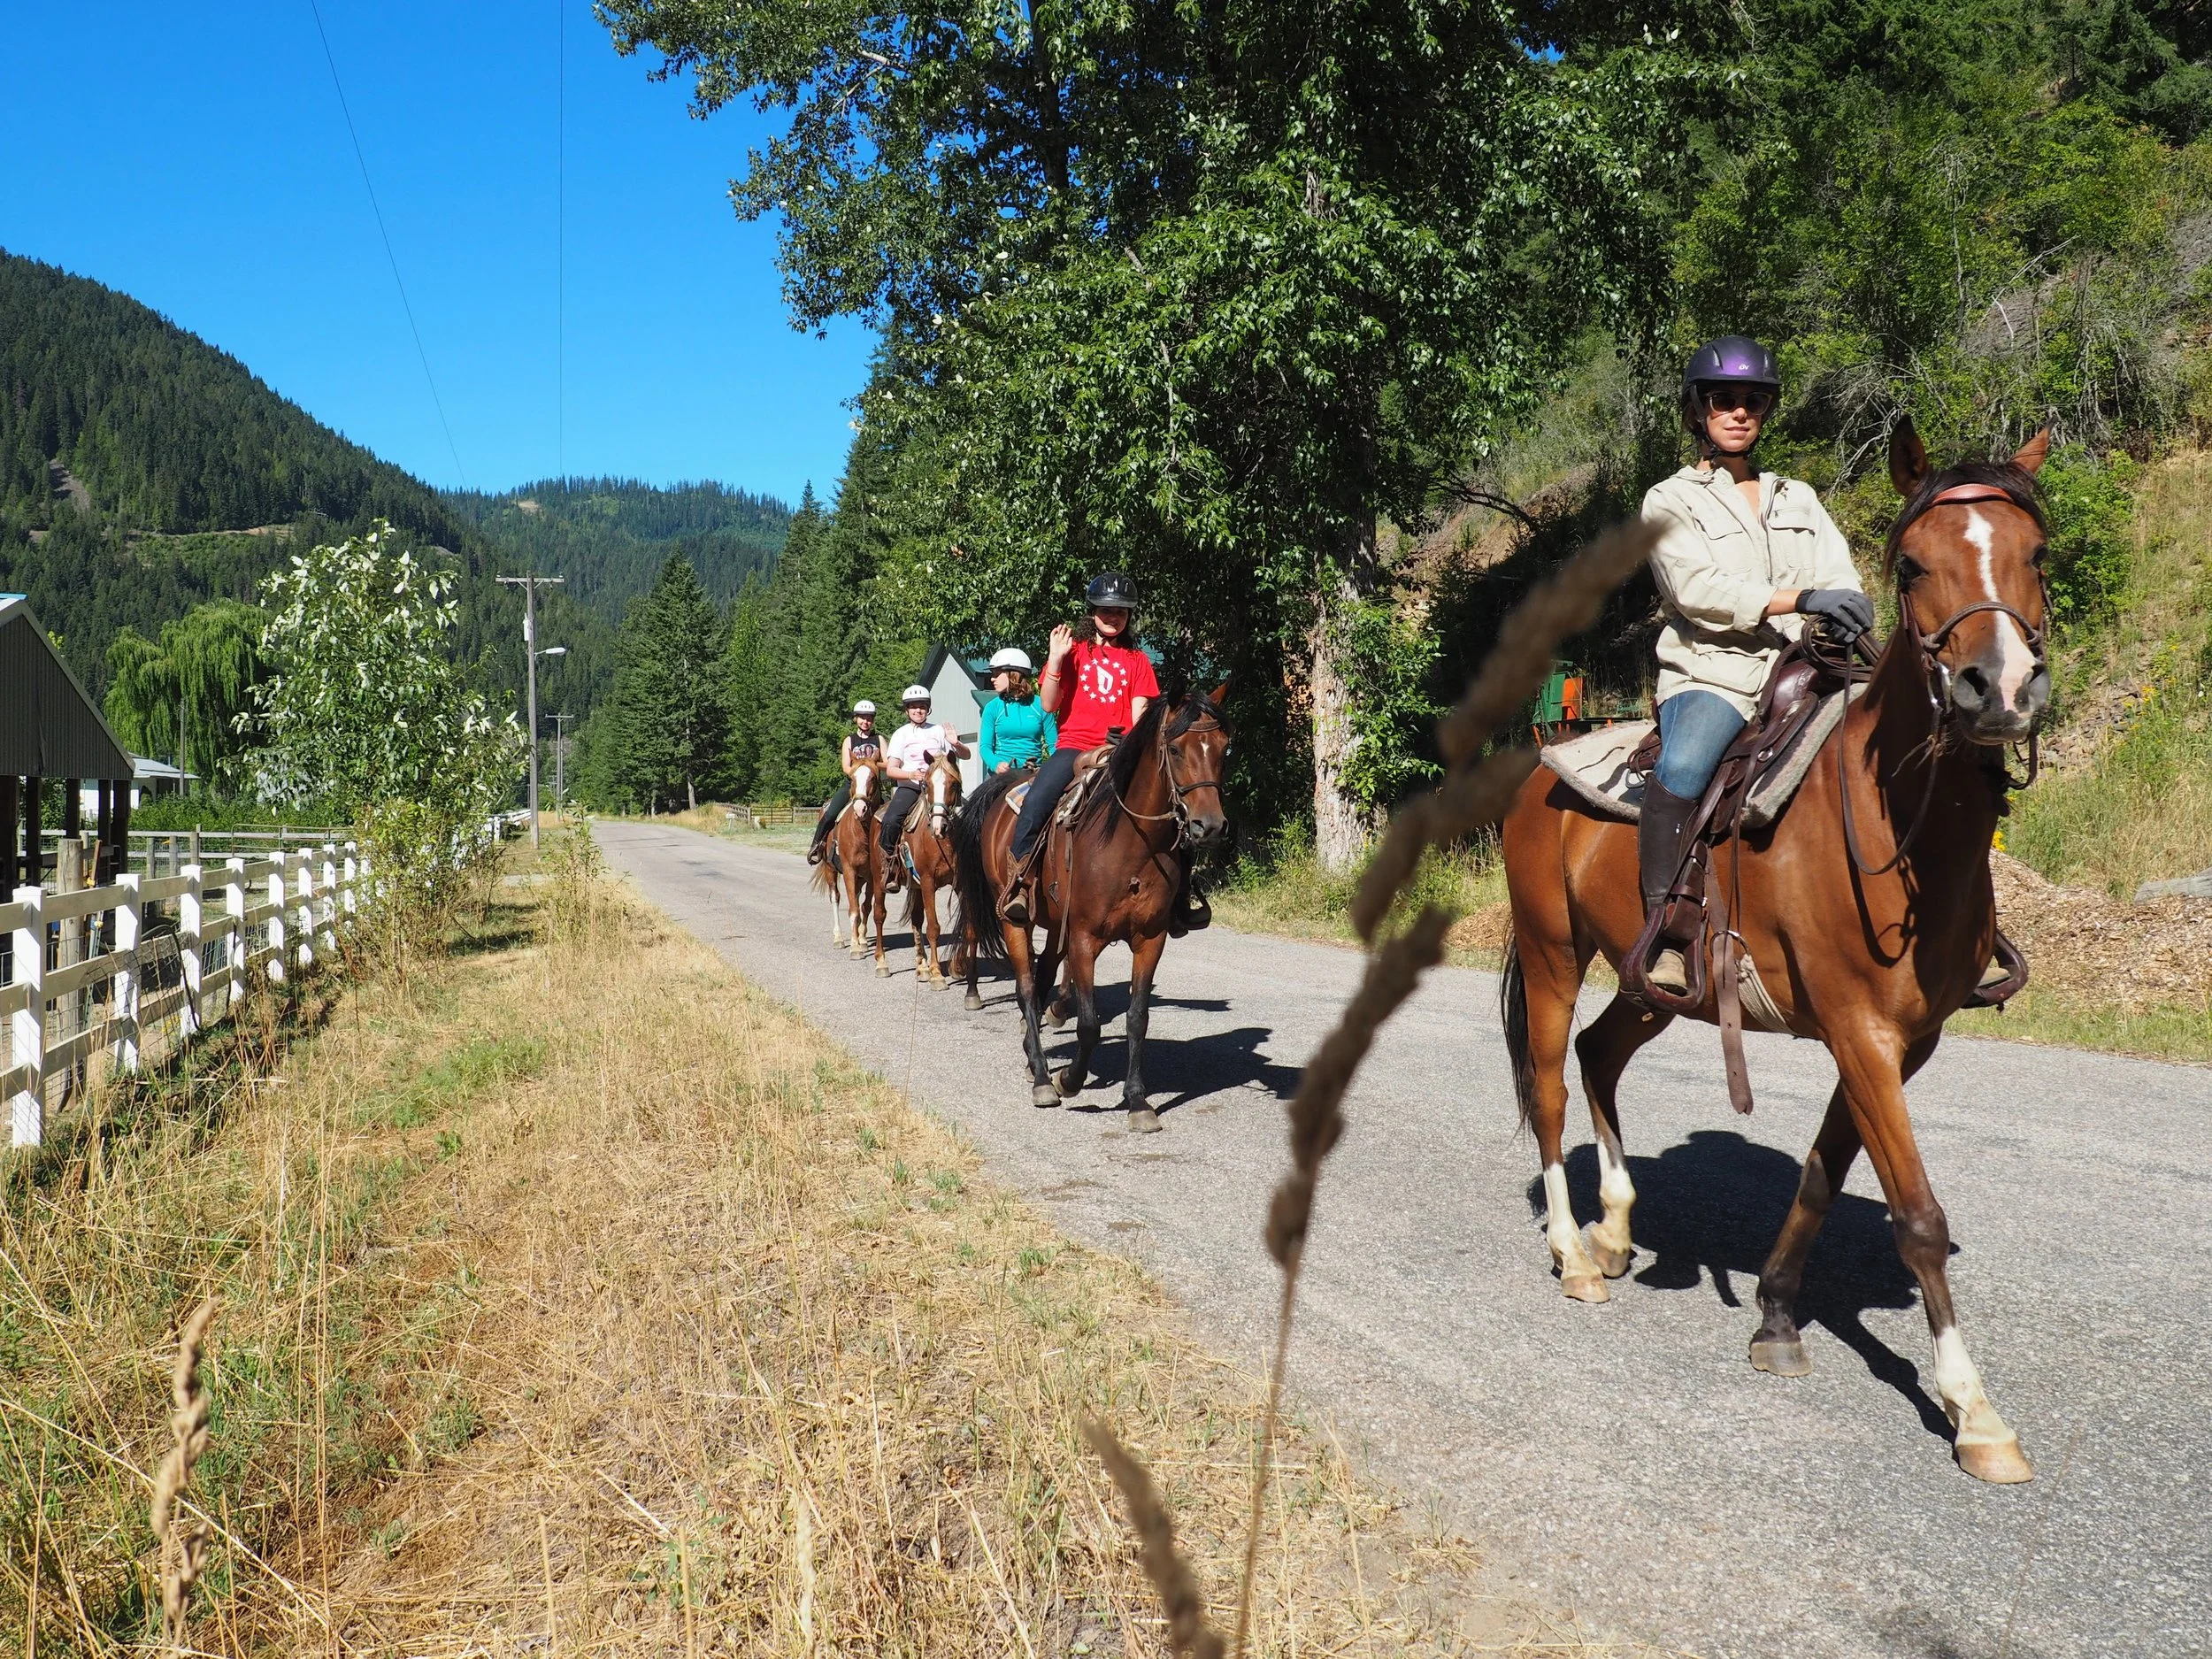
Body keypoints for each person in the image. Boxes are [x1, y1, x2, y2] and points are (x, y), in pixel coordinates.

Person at [1639, 335, 1871, 995]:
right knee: (1684, 765)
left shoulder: (1795, 496)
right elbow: (1697, 591)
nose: (1738, 412)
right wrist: (1801, 598)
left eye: (1752, 401)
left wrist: (1846, 606)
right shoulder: (1668, 500)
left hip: (1809, 663)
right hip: (1715, 670)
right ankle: (1666, 928)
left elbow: (1837, 570)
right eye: (1724, 401)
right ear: (1697, 412)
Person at [1002, 571, 1214, 932]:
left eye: (1120, 611)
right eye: (1105, 609)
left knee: (1174, 811)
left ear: (1129, 616)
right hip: (1074, 747)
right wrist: (1055, 660)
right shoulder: (1075, 653)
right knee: (1037, 801)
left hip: (1120, 752)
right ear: (1093, 611)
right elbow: (1050, 705)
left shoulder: (1138, 661)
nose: (1112, 616)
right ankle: (1021, 882)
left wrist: (1131, 744)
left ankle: (1179, 899)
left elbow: (1140, 715)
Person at [879, 684, 971, 892]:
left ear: (928, 709)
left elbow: (966, 756)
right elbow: (892, 770)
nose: (918, 710)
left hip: (940, 789)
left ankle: (971, 866)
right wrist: (911, 774)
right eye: (913, 707)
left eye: (922, 706)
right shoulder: (900, 734)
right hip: (911, 788)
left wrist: (956, 744)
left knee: (971, 820)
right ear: (907, 710)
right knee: (891, 820)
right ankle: (890, 867)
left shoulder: (938, 731)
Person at [806, 700, 886, 865]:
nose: (866, 721)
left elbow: (887, 763)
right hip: (852, 784)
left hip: (873, 786)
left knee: (889, 816)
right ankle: (817, 844)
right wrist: (860, 774)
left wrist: (870, 768)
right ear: (855, 719)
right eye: (862, 718)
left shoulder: (879, 739)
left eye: (869, 718)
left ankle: (889, 853)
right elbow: (845, 767)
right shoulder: (849, 740)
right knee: (831, 812)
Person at [978, 647, 1057, 774]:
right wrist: (996, 765)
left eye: (997, 674)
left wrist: (1056, 768)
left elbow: (1053, 745)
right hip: (1001, 774)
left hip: (1033, 772)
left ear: (1014, 674)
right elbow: (985, 747)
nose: (992, 679)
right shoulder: (992, 707)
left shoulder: (1041, 705)